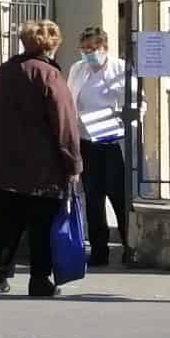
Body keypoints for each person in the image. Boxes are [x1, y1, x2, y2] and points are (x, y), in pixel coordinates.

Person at [0, 19, 83, 297]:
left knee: (6, 221)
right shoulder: (49, 75)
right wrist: (73, 163)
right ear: (52, 44)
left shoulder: (4, 72)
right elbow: (65, 124)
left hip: (5, 163)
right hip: (42, 167)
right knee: (42, 224)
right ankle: (39, 279)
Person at [69, 26, 135, 267]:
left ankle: (130, 246)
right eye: (84, 49)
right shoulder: (78, 70)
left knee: (118, 196)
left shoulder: (120, 69)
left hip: (112, 142)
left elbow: (137, 103)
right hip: (87, 142)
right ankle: (99, 249)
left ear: (105, 48)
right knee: (93, 198)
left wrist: (120, 119)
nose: (88, 54)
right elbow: (71, 100)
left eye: (92, 49)